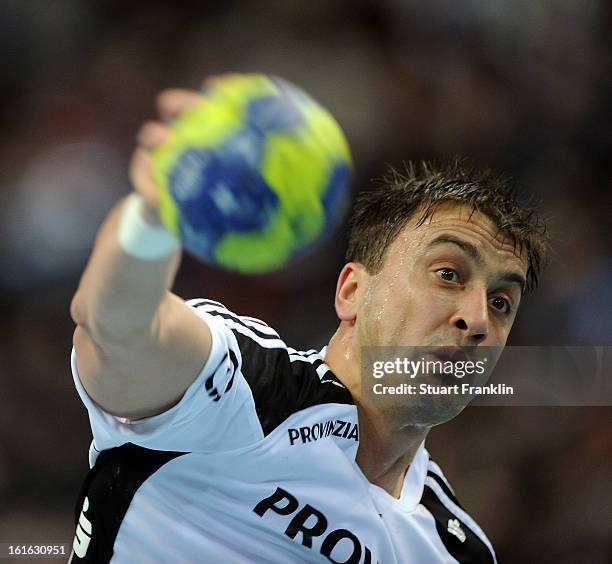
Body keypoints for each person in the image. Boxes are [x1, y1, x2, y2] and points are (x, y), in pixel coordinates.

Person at [68, 86, 547, 563]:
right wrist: (154, 218)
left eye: (502, 302)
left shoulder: (455, 551)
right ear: (352, 293)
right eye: (447, 274)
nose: (479, 319)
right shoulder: (252, 392)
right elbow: (116, 328)